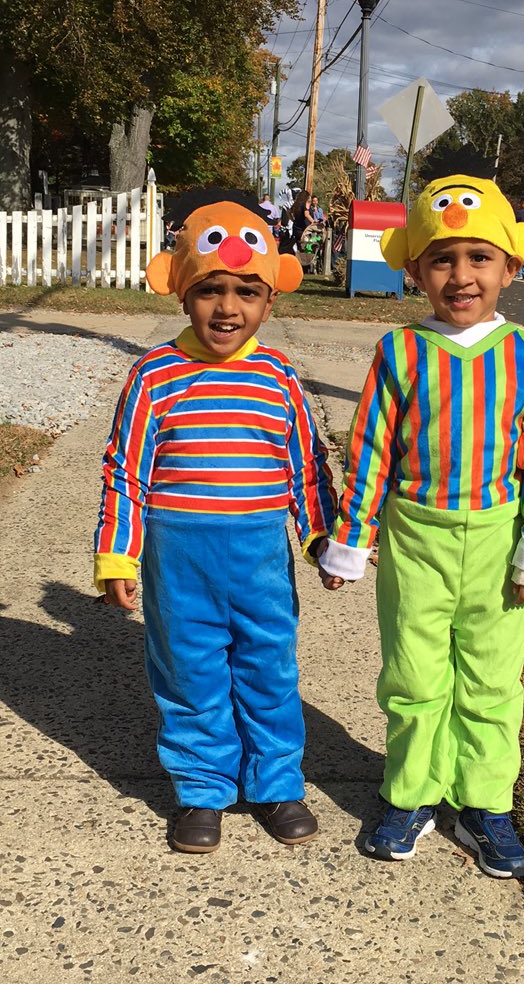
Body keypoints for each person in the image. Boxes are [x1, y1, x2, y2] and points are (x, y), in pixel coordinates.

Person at [317, 173, 524, 879]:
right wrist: (352, 541)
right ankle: (413, 793)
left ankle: (485, 804)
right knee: (413, 673)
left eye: (479, 257)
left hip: (496, 541)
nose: (461, 275)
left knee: (491, 680)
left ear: (510, 268)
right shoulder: (399, 352)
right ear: (415, 270)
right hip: (414, 539)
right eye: (442, 259)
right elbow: (369, 449)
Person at [94, 191, 337, 855]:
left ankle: (276, 782)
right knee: (191, 674)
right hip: (181, 563)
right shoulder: (154, 376)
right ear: (181, 293)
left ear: (270, 300)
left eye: (246, 293)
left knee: (268, 671)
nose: (228, 308)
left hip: (260, 559)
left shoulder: (279, 377)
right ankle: (201, 788)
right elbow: (126, 473)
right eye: (211, 291)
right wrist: (117, 556)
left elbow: (306, 468)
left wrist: (320, 539)